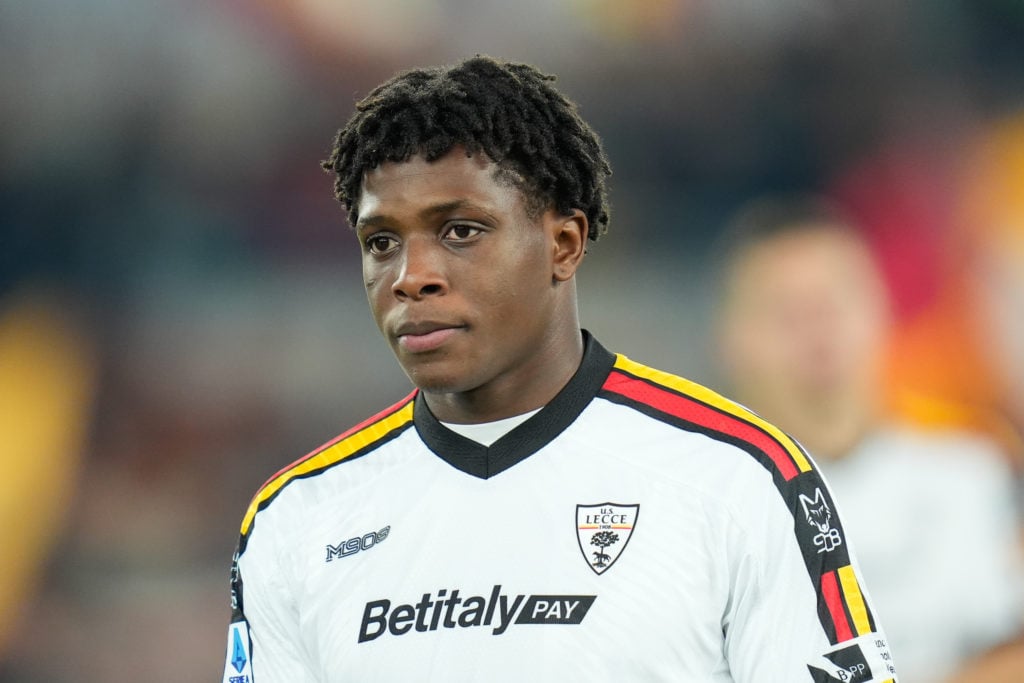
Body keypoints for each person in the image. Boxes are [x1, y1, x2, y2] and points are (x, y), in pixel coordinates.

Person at [221, 56, 898, 683]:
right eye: (382, 242)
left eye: (460, 230)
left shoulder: (739, 479)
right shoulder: (297, 520)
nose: (411, 276)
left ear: (564, 243)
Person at [714, 196, 1024, 683]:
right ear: (732, 337)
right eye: (785, 310)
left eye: (834, 299)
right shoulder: (705, 506)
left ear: (883, 308)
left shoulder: (975, 471)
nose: (817, 327)